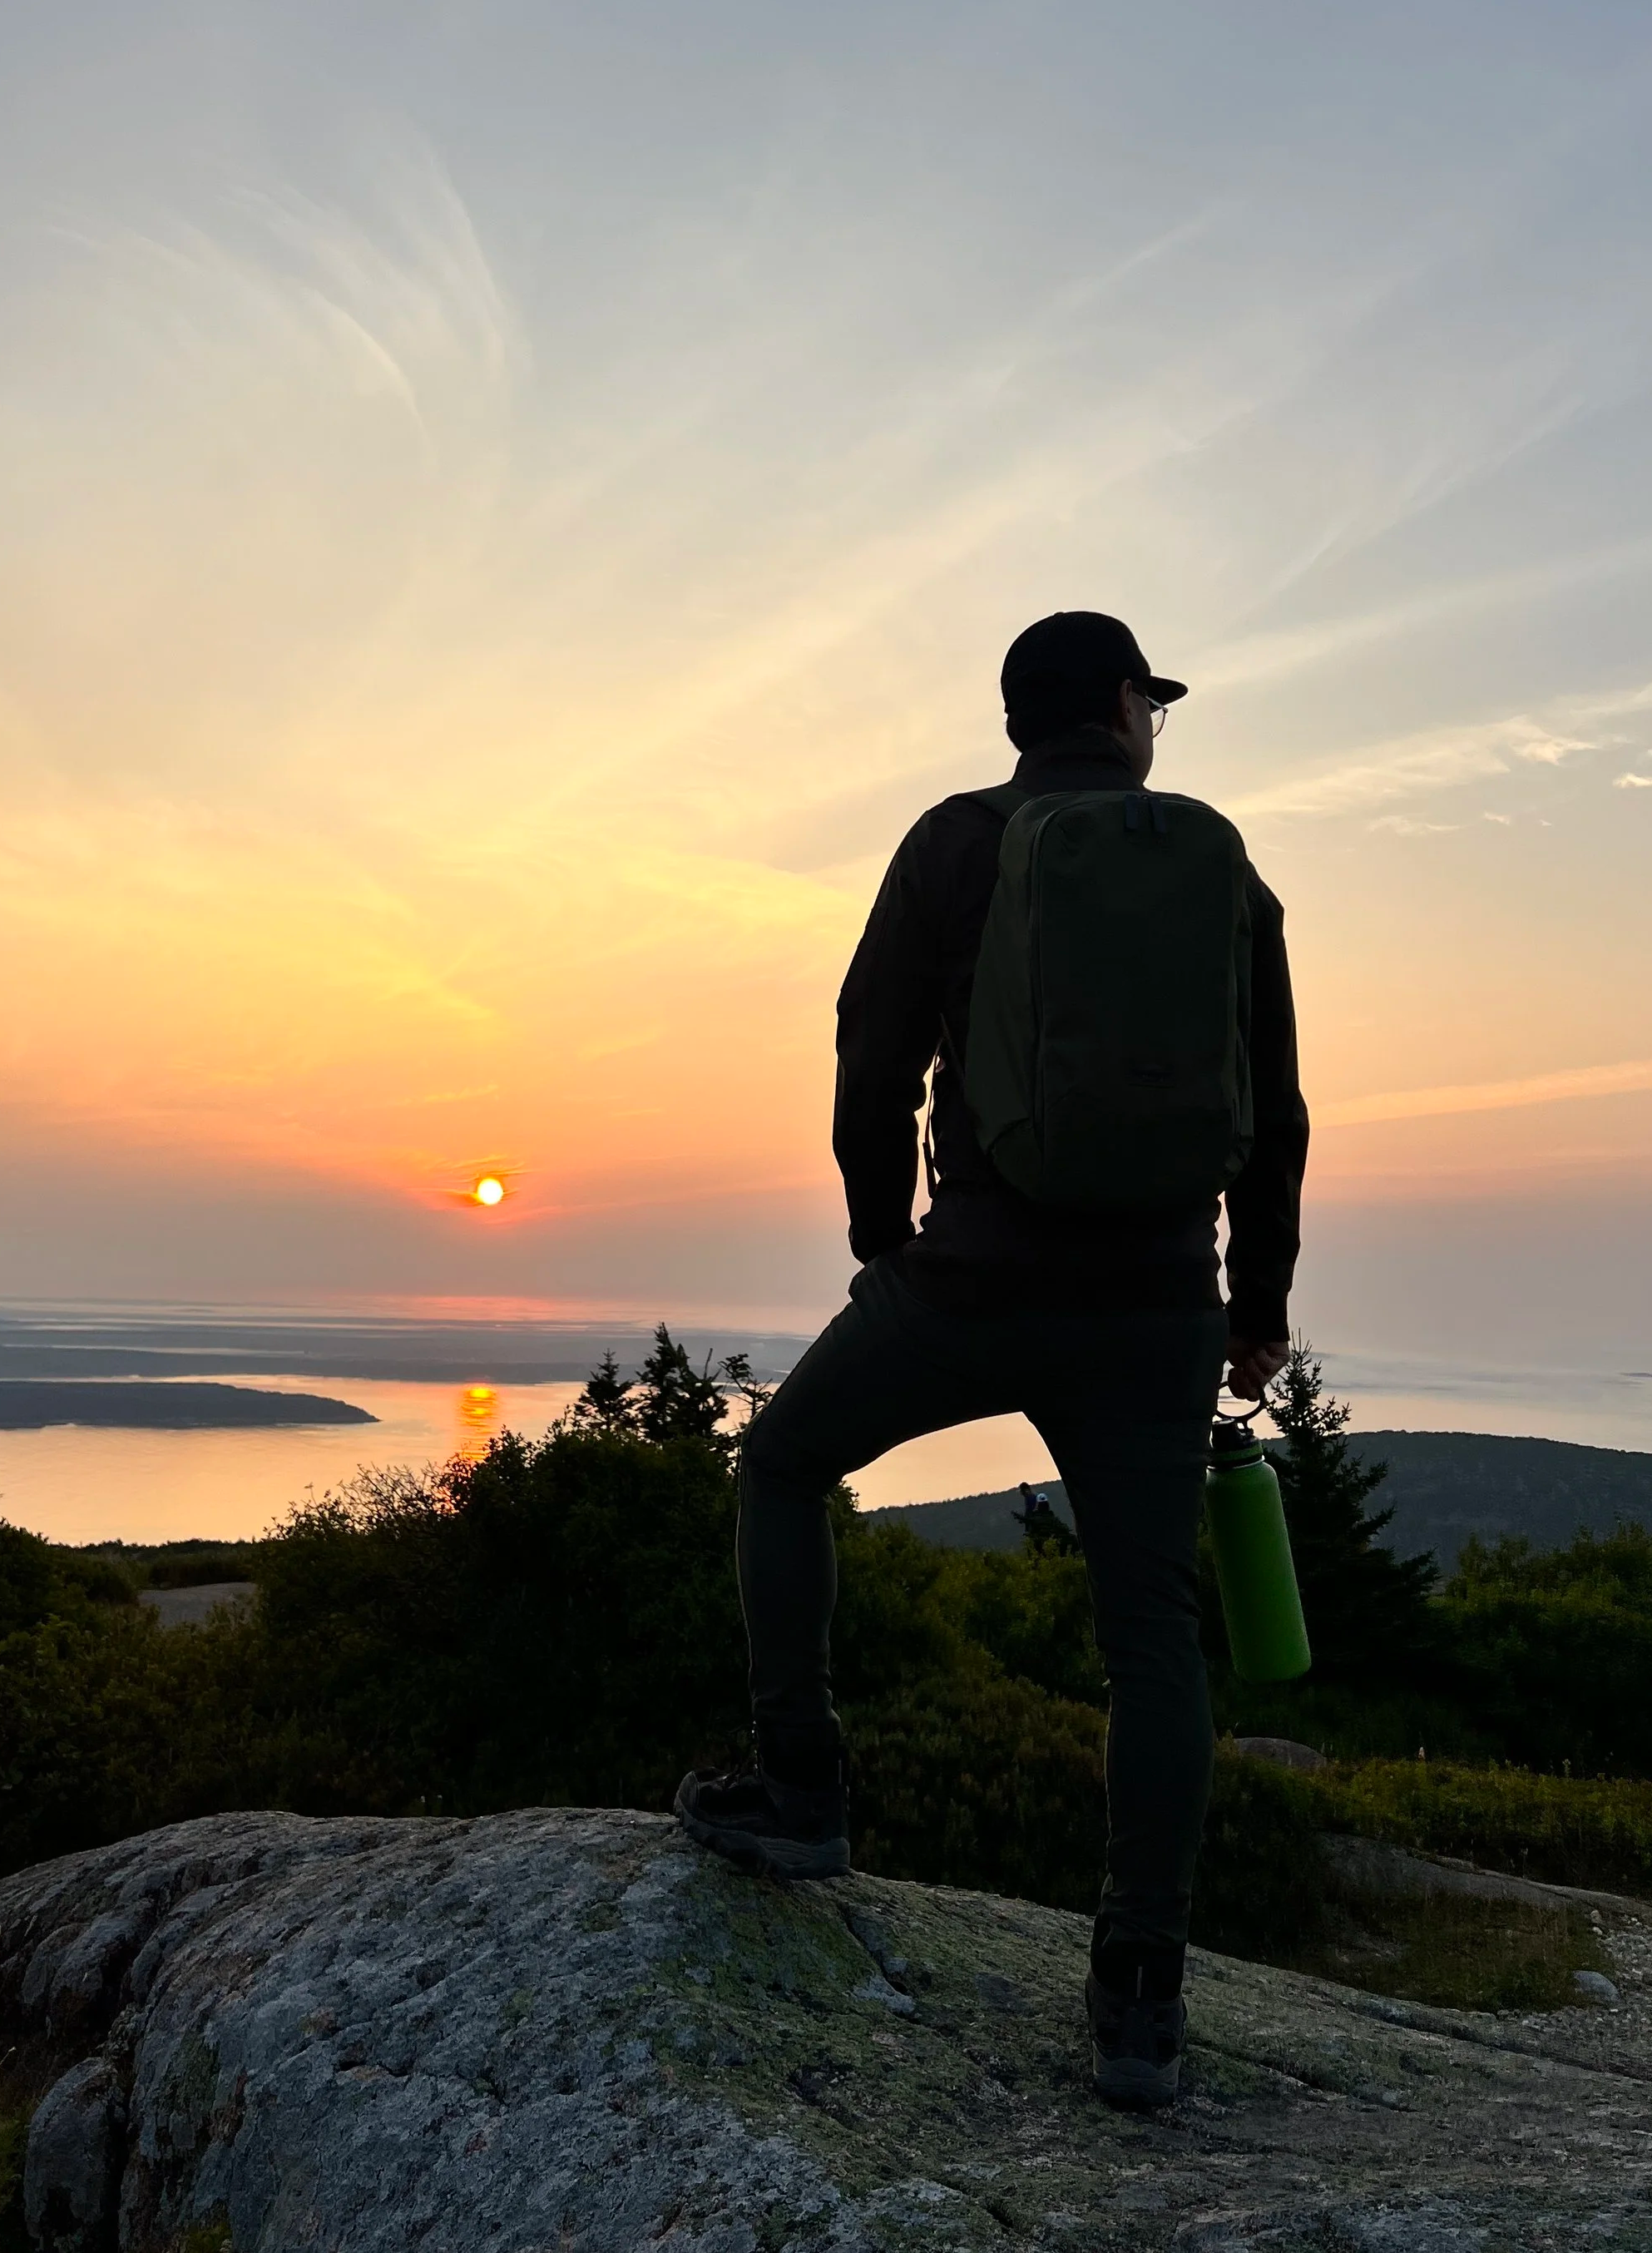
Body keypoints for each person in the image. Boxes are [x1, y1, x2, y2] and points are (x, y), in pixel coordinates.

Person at [675, 610, 1308, 2107]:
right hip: (1158, 1303)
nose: (1159, 725)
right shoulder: (1222, 870)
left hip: (971, 1276)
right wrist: (1258, 1304)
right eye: (1151, 702)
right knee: (1147, 1628)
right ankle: (1141, 1997)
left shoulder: (956, 843)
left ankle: (804, 1791)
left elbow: (870, 1041)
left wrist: (877, 1229)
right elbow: (1274, 1107)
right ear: (1115, 711)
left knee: (783, 1463)